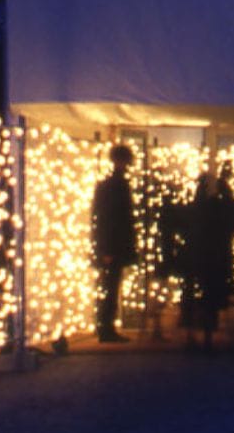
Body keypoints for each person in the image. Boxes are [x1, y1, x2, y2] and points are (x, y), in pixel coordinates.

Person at [182, 168, 234, 353]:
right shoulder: (215, 207)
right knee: (209, 299)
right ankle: (207, 336)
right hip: (212, 259)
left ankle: (192, 335)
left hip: (196, 258)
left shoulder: (193, 208)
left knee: (195, 297)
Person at [91, 144, 136, 343]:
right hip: (112, 246)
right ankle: (105, 328)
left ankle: (105, 327)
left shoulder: (111, 184)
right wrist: (107, 248)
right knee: (109, 287)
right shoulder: (115, 185)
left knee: (109, 286)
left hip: (111, 245)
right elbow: (108, 218)